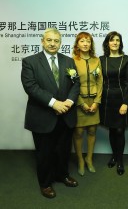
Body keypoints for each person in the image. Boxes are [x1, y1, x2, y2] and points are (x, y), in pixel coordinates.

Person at [21, 28, 80, 199]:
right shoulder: (30, 61)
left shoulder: (69, 61)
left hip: (66, 114)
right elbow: (31, 87)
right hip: (43, 116)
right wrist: (54, 103)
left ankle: (63, 175)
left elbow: (76, 84)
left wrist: (68, 102)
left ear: (60, 43)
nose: (53, 43)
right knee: (44, 153)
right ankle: (45, 184)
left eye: (56, 41)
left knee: (63, 150)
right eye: (49, 40)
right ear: (42, 41)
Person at [100, 31, 128, 176]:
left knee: (120, 130)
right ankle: (114, 155)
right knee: (112, 129)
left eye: (117, 40)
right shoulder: (101, 59)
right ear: (107, 43)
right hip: (106, 99)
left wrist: (125, 103)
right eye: (112, 40)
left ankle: (119, 160)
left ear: (120, 43)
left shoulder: (127, 59)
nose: (115, 43)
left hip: (121, 98)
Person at [72, 32, 103, 176]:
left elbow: (100, 82)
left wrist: (97, 101)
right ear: (77, 44)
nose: (85, 44)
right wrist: (81, 103)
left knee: (92, 131)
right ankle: (80, 160)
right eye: (82, 41)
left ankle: (89, 158)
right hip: (79, 101)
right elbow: (71, 85)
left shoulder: (96, 60)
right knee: (78, 132)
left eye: (88, 41)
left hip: (94, 101)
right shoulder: (72, 61)